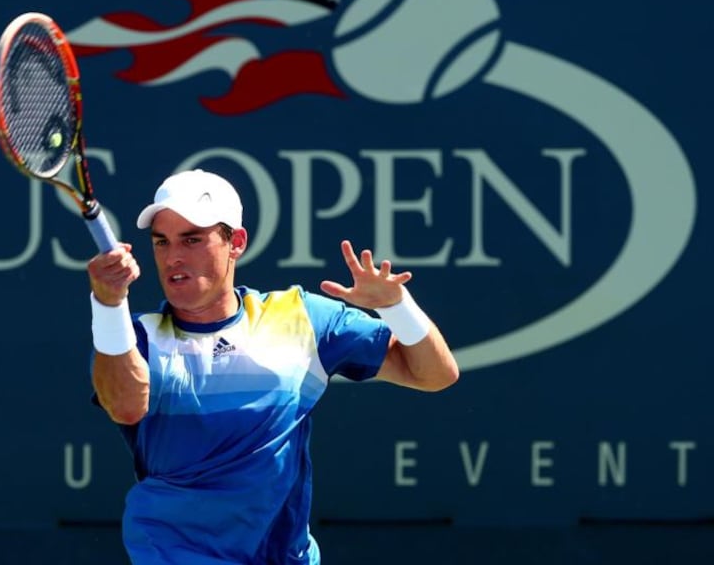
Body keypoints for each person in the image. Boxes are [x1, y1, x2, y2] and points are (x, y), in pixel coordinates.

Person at [86, 169, 459, 565]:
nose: (173, 256)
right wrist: (109, 304)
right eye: (162, 241)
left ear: (236, 243)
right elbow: (125, 407)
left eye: (192, 239)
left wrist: (396, 306)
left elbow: (436, 374)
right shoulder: (134, 338)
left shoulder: (302, 317)